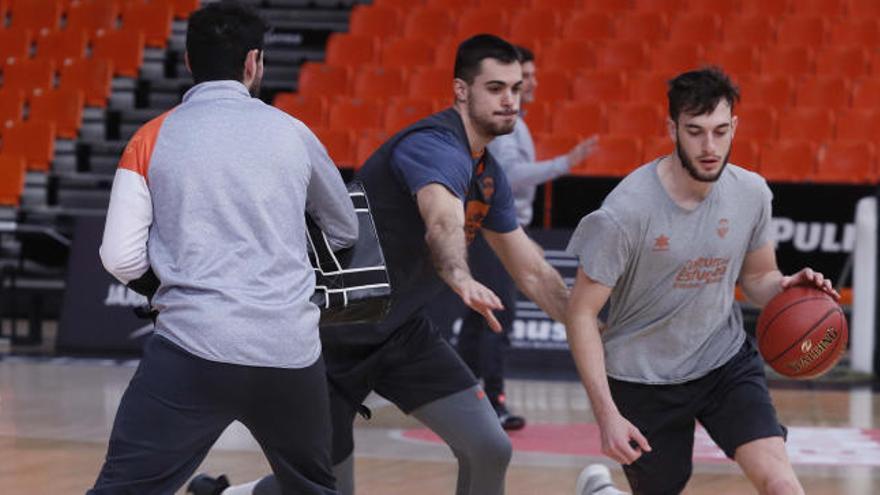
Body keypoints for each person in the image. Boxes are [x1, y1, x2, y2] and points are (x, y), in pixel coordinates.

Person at [190, 34, 572, 495]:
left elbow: (529, 267)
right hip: (326, 339)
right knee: (327, 489)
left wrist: (584, 322)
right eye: (496, 88)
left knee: (490, 446)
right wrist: (458, 274)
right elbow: (441, 216)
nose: (510, 100)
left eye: (515, 88)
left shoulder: (488, 175)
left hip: (401, 335)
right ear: (460, 91)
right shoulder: (432, 144)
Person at [90, 2, 358, 494]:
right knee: (314, 488)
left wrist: (163, 287)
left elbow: (118, 255)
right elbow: (343, 229)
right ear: (253, 62)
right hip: (289, 351)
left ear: (190, 62)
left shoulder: (150, 138)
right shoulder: (295, 133)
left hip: (192, 347)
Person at [564, 67, 838, 495]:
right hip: (643, 378)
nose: (709, 147)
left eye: (720, 130)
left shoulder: (751, 192)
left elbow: (758, 278)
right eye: (695, 131)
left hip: (722, 360)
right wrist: (606, 416)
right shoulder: (625, 212)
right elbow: (580, 313)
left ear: (735, 127)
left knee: (782, 484)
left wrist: (788, 287)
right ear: (672, 128)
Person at [456, 44, 598, 431]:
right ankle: (492, 401)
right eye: (524, 78)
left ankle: (462, 399)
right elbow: (512, 176)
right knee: (496, 318)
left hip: (488, 226)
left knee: (478, 320)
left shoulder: (516, 122)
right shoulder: (505, 124)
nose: (530, 84)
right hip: (494, 230)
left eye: (528, 79)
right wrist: (566, 163)